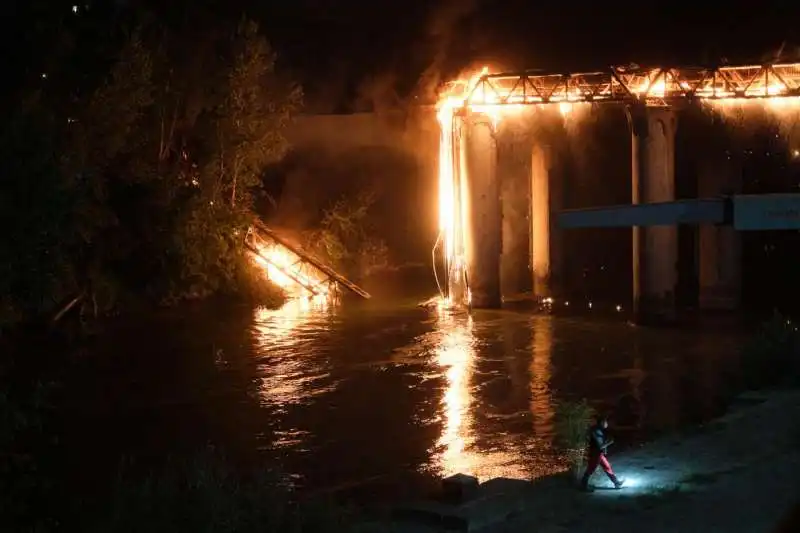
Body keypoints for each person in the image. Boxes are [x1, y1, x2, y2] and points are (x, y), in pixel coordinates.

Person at [580, 414, 624, 492]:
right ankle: (583, 486)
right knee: (591, 469)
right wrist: (609, 442)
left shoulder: (597, 430)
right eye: (605, 422)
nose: (607, 423)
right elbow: (600, 446)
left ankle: (616, 483)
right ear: (602, 422)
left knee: (607, 467)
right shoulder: (597, 431)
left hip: (598, 453)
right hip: (596, 453)